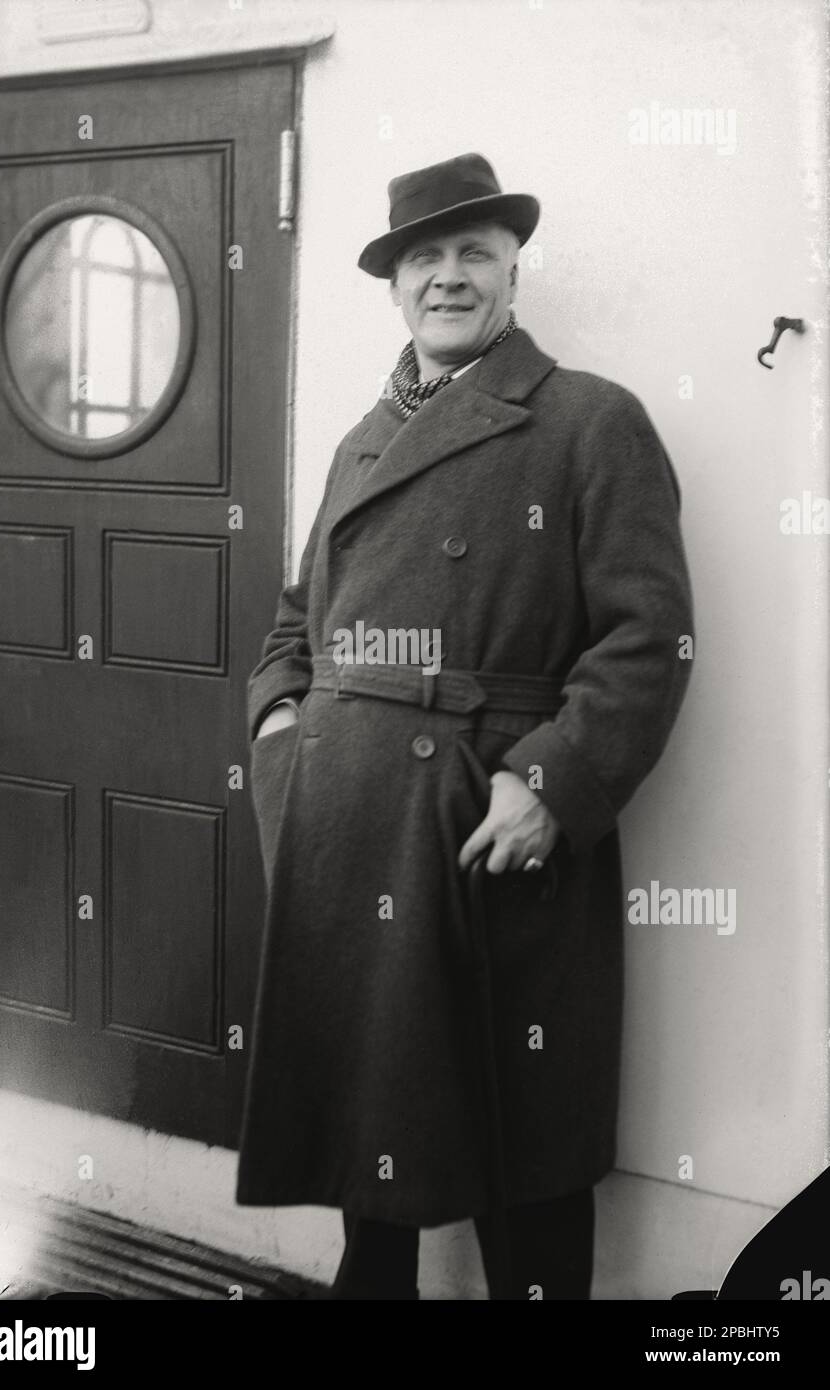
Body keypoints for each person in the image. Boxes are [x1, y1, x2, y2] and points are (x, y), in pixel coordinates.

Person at [235, 152, 694, 1300]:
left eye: (473, 254)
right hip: (347, 833)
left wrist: (551, 778)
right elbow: (296, 622)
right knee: (366, 1135)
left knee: (523, 1139)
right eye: (424, 259)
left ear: (510, 274)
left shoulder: (590, 422)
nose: (449, 277)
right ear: (394, 286)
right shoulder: (359, 441)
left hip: (488, 820)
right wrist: (284, 736)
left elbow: (648, 638)